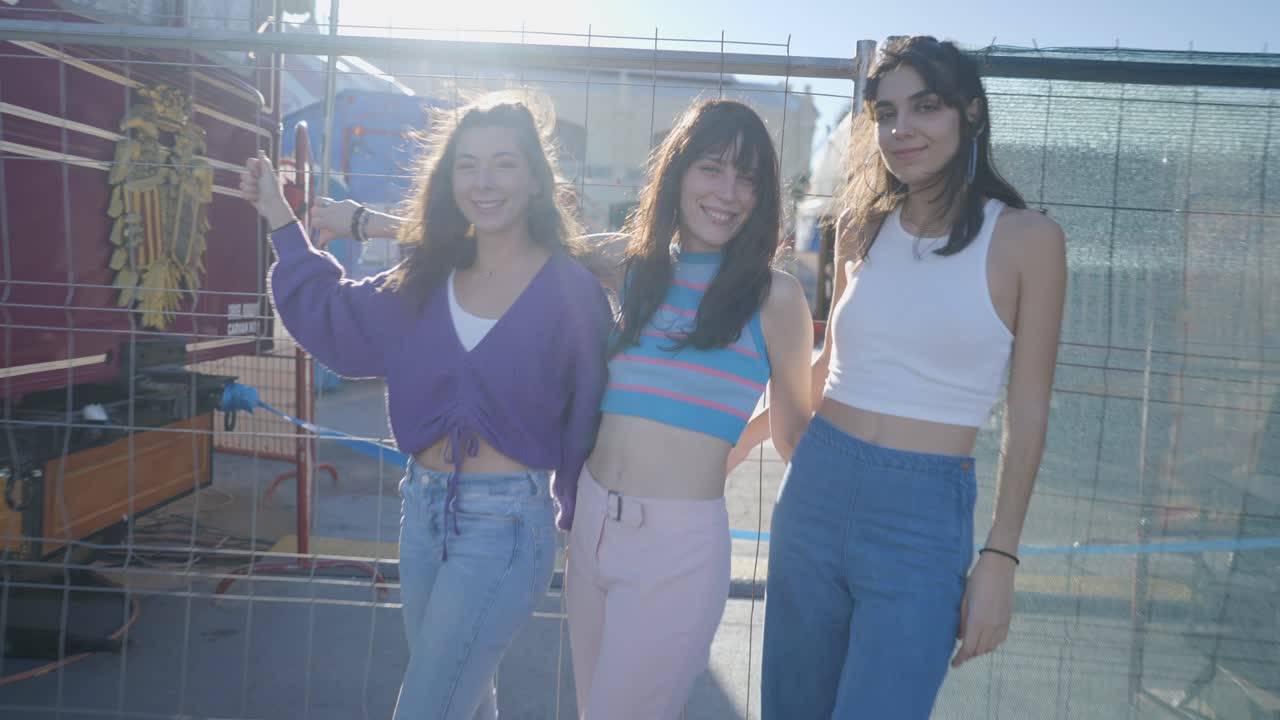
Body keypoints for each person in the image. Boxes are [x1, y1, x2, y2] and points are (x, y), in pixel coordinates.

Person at [308, 98, 813, 719]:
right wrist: (364, 222)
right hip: (593, 530)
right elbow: (500, 231)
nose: (728, 192)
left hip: (679, 550)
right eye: (712, 168)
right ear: (678, 174)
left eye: (748, 177)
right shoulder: (634, 267)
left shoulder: (776, 298)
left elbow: (796, 437)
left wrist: (742, 437)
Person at [239, 94, 613, 720]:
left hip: (507, 526)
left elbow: (592, 414)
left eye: (503, 164)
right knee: (465, 699)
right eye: (467, 165)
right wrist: (282, 220)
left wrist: (582, 521)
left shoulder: (570, 290)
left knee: (428, 707)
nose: (484, 182)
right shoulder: (427, 276)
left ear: (534, 180)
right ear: (448, 178)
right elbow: (339, 314)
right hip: (422, 511)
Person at [741, 35, 1068, 719]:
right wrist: (733, 444)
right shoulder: (865, 229)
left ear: (970, 113)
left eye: (925, 107)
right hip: (816, 494)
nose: (901, 129)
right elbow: (827, 370)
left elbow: (1029, 411)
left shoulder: (1029, 239)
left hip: (923, 520)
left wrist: (1000, 559)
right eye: (886, 113)